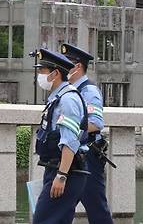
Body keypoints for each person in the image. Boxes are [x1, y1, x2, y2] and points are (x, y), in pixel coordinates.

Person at [32, 48, 89, 224]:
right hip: (58, 169)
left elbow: (70, 141)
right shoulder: (58, 97)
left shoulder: (68, 100)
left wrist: (61, 175)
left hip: (68, 172)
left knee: (44, 220)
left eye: (42, 71)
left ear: (55, 73)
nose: (39, 76)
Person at [60, 43, 113, 223]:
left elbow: (96, 123)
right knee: (60, 207)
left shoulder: (88, 91)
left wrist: (68, 126)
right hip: (72, 153)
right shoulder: (68, 90)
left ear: (77, 66)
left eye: (65, 63)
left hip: (88, 156)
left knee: (97, 209)